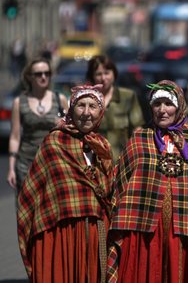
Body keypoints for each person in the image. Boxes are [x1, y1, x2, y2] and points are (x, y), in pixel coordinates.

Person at [107, 80, 188, 282]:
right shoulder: (138, 140)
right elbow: (120, 188)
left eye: (168, 104)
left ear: (179, 106)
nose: (162, 110)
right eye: (157, 104)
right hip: (144, 232)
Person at [17, 84, 113, 282]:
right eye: (81, 106)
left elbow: (110, 188)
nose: (86, 113)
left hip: (97, 232)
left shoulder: (102, 146)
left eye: (92, 106)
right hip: (61, 232)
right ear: (71, 109)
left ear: (101, 112)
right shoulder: (54, 142)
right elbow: (32, 192)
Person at [7, 57, 68, 191]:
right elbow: (15, 137)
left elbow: (71, 132)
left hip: (54, 162)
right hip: (26, 163)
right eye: (38, 74)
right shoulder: (19, 102)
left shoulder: (60, 100)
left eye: (47, 73)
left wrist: (62, 125)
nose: (43, 77)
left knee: (51, 209)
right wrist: (11, 168)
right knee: (26, 209)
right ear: (29, 77)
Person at [86, 55, 144, 159]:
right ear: (92, 76)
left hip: (122, 160)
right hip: (95, 162)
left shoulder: (128, 96)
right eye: (98, 74)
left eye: (107, 73)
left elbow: (137, 130)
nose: (103, 78)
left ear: (114, 74)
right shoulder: (87, 100)